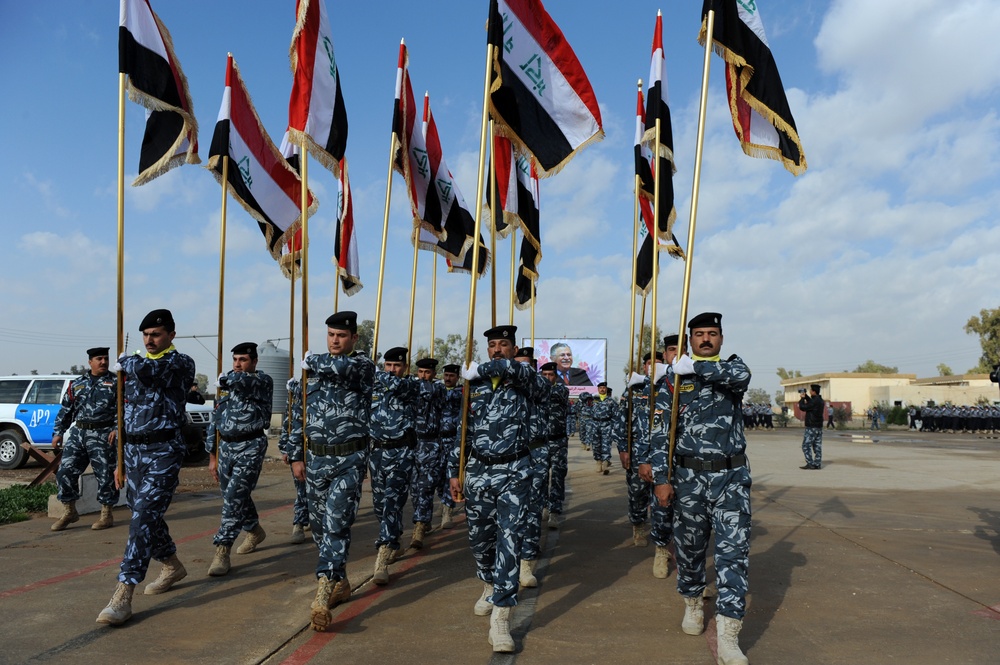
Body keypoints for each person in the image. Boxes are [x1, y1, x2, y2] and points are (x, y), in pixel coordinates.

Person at [652, 312, 752, 665]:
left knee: (733, 555)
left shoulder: (731, 371)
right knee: (691, 551)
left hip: (731, 479)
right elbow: (661, 432)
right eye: (699, 335)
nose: (706, 339)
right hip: (688, 479)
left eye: (712, 334)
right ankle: (693, 602)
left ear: (721, 339)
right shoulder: (673, 379)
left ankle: (728, 634)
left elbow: (742, 377)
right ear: (690, 340)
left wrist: (695, 367)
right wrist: (662, 480)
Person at [96, 309, 196, 625]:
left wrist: (127, 362)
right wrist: (120, 460)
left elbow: (154, 372)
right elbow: (125, 409)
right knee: (146, 515)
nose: (150, 340)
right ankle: (172, 564)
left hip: (164, 450)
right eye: (146, 335)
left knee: (142, 518)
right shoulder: (135, 366)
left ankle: (124, 593)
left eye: (156, 334)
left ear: (171, 335)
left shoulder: (180, 363)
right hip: (135, 451)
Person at [449, 324, 533, 653]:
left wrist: (483, 369)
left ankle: (501, 615)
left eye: (504, 344)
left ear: (514, 348)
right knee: (479, 540)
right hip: (478, 470)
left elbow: (519, 373)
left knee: (509, 542)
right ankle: (488, 583)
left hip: (514, 470)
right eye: (492, 345)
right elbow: (463, 430)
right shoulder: (476, 385)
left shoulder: (525, 380)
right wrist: (455, 471)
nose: (497, 349)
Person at [288, 311, 374, 631]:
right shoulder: (314, 370)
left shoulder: (361, 365)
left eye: (341, 335)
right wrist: (297, 455)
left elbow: (342, 367)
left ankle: (322, 595)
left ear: (354, 338)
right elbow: (300, 414)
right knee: (321, 528)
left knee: (337, 524)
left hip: (349, 461)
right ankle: (341, 580)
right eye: (331, 335)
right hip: (316, 461)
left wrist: (311, 362)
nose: (335, 340)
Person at [204, 342, 274, 576]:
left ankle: (222, 548)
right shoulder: (228, 386)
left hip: (250, 445)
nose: (237, 364)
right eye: (235, 360)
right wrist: (212, 456)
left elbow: (246, 381)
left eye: (243, 360)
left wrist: (226, 380)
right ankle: (254, 529)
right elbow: (215, 420)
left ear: (254, 362)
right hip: (226, 446)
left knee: (234, 496)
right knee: (233, 495)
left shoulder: (261, 381)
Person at [626, 336, 678, 579]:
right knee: (660, 507)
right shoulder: (650, 388)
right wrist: (640, 456)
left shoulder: (700, 380)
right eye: (671, 351)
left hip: (691, 461)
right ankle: (660, 548)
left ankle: (688, 567)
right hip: (658, 456)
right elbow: (649, 426)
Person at [51, 346, 120, 531]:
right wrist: (58, 432)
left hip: (104, 434)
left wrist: (117, 428)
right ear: (90, 362)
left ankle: (106, 514)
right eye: (99, 359)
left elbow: (125, 409)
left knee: (105, 475)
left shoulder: (117, 382)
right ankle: (69, 511)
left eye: (106, 358)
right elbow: (66, 409)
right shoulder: (77, 383)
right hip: (79, 433)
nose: (104, 362)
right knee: (64, 471)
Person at [368, 346, 420, 584]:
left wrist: (373, 371)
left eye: (397, 366)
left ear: (405, 368)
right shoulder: (376, 388)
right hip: (377, 452)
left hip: (401, 452)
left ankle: (383, 555)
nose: (392, 370)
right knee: (380, 506)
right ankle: (394, 538)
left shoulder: (410, 386)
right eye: (388, 365)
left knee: (391, 502)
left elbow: (396, 385)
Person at [514, 347, 549, 589]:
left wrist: (526, 372)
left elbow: (543, 389)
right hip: (506, 455)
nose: (522, 368)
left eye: (527, 364)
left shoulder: (539, 384)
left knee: (532, 507)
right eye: (518, 364)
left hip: (535, 451)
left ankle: (526, 562)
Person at [410, 356, 445, 549]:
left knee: (425, 487)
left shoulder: (437, 388)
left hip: (431, 444)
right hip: (414, 443)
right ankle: (423, 518)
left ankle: (419, 526)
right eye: (421, 372)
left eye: (427, 372)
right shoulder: (414, 388)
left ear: (433, 373)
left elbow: (426, 391)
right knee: (414, 490)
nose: (424, 376)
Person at [278, 378, 309, 544]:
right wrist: (285, 447)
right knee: (301, 488)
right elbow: (289, 420)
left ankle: (313, 517)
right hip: (299, 447)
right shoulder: (296, 389)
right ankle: (299, 522)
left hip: (320, 447)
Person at [540, 362, 570, 530]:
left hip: (558, 441)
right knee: (541, 476)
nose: (547, 378)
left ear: (556, 377)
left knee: (558, 476)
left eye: (550, 375)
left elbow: (554, 393)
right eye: (544, 375)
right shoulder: (536, 390)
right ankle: (543, 505)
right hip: (541, 442)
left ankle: (555, 511)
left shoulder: (561, 390)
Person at [437, 364, 463, 529]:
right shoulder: (438, 390)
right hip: (437, 440)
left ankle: (448, 509)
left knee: (450, 474)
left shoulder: (460, 393)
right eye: (446, 375)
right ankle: (443, 500)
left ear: (457, 378)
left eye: (451, 376)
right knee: (439, 475)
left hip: (453, 439)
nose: (447, 379)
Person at [590, 381, 619, 474]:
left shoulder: (611, 401)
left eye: (604, 388)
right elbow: (588, 412)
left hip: (607, 424)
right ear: (598, 389)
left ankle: (605, 463)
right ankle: (598, 461)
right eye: (600, 388)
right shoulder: (593, 400)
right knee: (596, 444)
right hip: (595, 425)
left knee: (606, 444)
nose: (602, 389)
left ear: (606, 389)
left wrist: (614, 426)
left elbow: (615, 414)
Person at [798, 384, 824, 470]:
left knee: (806, 445)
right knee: (817, 446)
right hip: (818, 427)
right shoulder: (820, 400)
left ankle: (810, 463)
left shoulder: (814, 401)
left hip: (811, 427)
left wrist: (802, 398)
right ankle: (817, 463)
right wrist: (806, 397)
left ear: (813, 391)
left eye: (810, 390)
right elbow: (811, 403)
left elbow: (803, 407)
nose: (809, 391)